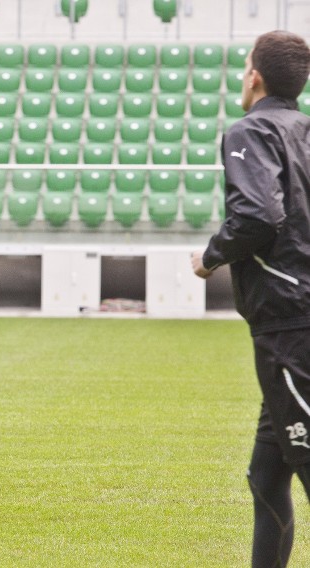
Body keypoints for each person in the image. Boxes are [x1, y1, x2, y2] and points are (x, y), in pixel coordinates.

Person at [191, 31, 310, 567]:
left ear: (254, 76)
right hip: (296, 320)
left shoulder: (252, 130)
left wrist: (210, 256)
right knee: (267, 473)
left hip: (289, 325)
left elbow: (259, 216)